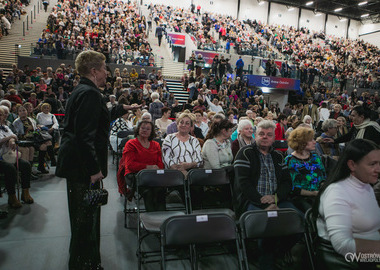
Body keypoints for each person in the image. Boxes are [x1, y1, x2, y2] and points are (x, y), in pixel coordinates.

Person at [56, 51, 110, 270]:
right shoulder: (90, 94)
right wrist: (94, 169)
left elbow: (87, 124)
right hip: (83, 169)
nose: (107, 73)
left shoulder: (81, 90)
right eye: (105, 68)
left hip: (76, 166)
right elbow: (84, 136)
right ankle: (84, 265)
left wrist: (118, 109)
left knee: (82, 221)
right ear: (94, 71)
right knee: (85, 222)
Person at [234, 120, 296, 270]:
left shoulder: (278, 156)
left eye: (269, 135)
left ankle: (276, 252)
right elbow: (244, 184)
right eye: (261, 134)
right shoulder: (245, 153)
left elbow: (287, 183)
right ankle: (266, 260)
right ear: (256, 135)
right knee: (267, 222)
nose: (265, 137)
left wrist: (275, 199)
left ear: (274, 137)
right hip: (252, 200)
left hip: (277, 199)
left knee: (297, 219)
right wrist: (264, 203)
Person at [313, 139, 380, 269]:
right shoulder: (337, 192)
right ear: (352, 165)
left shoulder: (366, 186)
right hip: (347, 260)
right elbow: (343, 245)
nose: (378, 169)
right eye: (372, 164)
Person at [122, 120, 165, 211]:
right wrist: (147, 167)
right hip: (134, 175)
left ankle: (162, 219)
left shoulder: (156, 145)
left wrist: (156, 169)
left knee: (160, 190)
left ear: (151, 132)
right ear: (138, 129)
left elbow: (160, 164)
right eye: (142, 128)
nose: (145, 130)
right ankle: (151, 220)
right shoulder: (131, 144)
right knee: (148, 192)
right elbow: (130, 165)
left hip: (153, 176)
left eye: (148, 129)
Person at [285, 127, 326, 213]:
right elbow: (291, 188)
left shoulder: (315, 157)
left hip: (319, 195)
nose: (315, 142)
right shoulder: (290, 161)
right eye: (311, 140)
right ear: (302, 142)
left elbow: (323, 177)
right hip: (301, 199)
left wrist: (322, 190)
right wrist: (313, 193)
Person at [0, 106, 34, 208]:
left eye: (1, 115)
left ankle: (25, 192)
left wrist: (12, 139)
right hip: (1, 158)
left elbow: (15, 136)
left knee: (26, 165)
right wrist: (10, 138)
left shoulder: (5, 127)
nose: (1, 116)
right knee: (10, 169)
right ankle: (12, 196)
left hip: (9, 156)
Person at [36, 102, 58, 169]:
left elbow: (56, 123)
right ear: (42, 109)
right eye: (45, 108)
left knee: (50, 141)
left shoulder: (52, 115)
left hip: (51, 130)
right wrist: (44, 128)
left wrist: (52, 128)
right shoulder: (39, 115)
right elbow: (38, 124)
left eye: (47, 108)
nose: (46, 109)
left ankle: (52, 160)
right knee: (47, 143)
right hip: (43, 131)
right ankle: (52, 160)